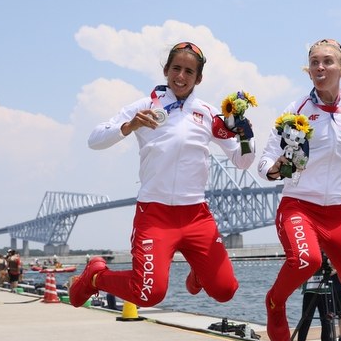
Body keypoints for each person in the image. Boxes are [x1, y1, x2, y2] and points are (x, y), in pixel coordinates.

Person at [72, 41, 255, 308]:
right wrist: (129, 125)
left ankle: (199, 274)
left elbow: (242, 161)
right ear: (166, 70)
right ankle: (95, 277)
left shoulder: (209, 114)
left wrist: (246, 135)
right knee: (148, 295)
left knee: (225, 290)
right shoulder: (145, 106)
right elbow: (94, 139)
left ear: (199, 78)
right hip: (155, 214)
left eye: (189, 72)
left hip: (196, 216)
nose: (181, 76)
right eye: (176, 69)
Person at [257, 39, 341, 341]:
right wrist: (276, 168)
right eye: (314, 62)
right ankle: (275, 303)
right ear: (309, 71)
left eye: (328, 61)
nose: (321, 67)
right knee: (306, 259)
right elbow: (263, 164)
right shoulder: (295, 112)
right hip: (300, 206)